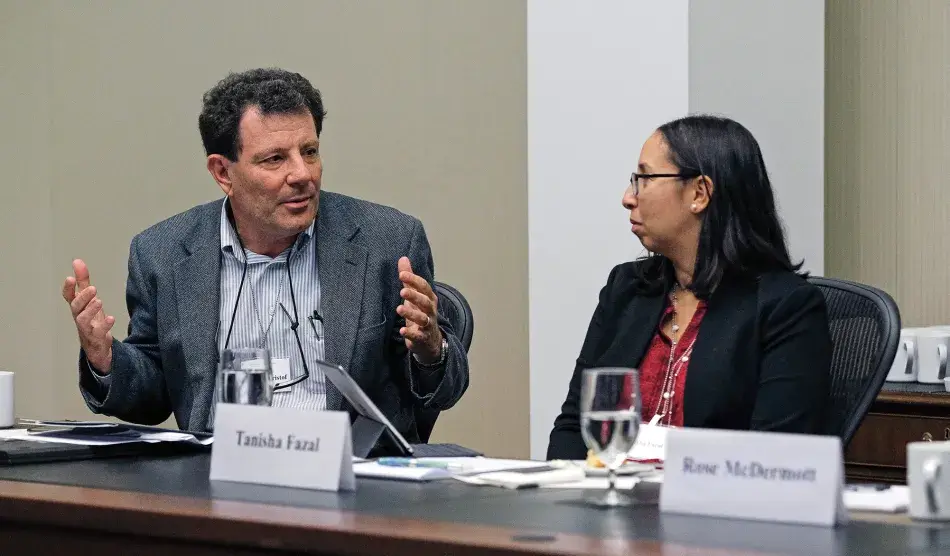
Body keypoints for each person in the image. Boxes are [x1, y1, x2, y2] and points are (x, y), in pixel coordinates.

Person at [61, 68, 469, 444]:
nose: (303, 174)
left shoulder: (387, 242)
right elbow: (152, 395)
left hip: (354, 486)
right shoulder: (163, 254)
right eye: (276, 159)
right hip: (220, 484)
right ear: (223, 172)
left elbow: (442, 391)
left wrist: (431, 347)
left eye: (309, 152)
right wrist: (106, 359)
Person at [546, 115, 832, 460]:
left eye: (644, 179)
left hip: (712, 508)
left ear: (699, 193)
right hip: (606, 502)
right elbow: (574, 426)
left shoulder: (786, 308)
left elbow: (774, 458)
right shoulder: (627, 289)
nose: (627, 197)